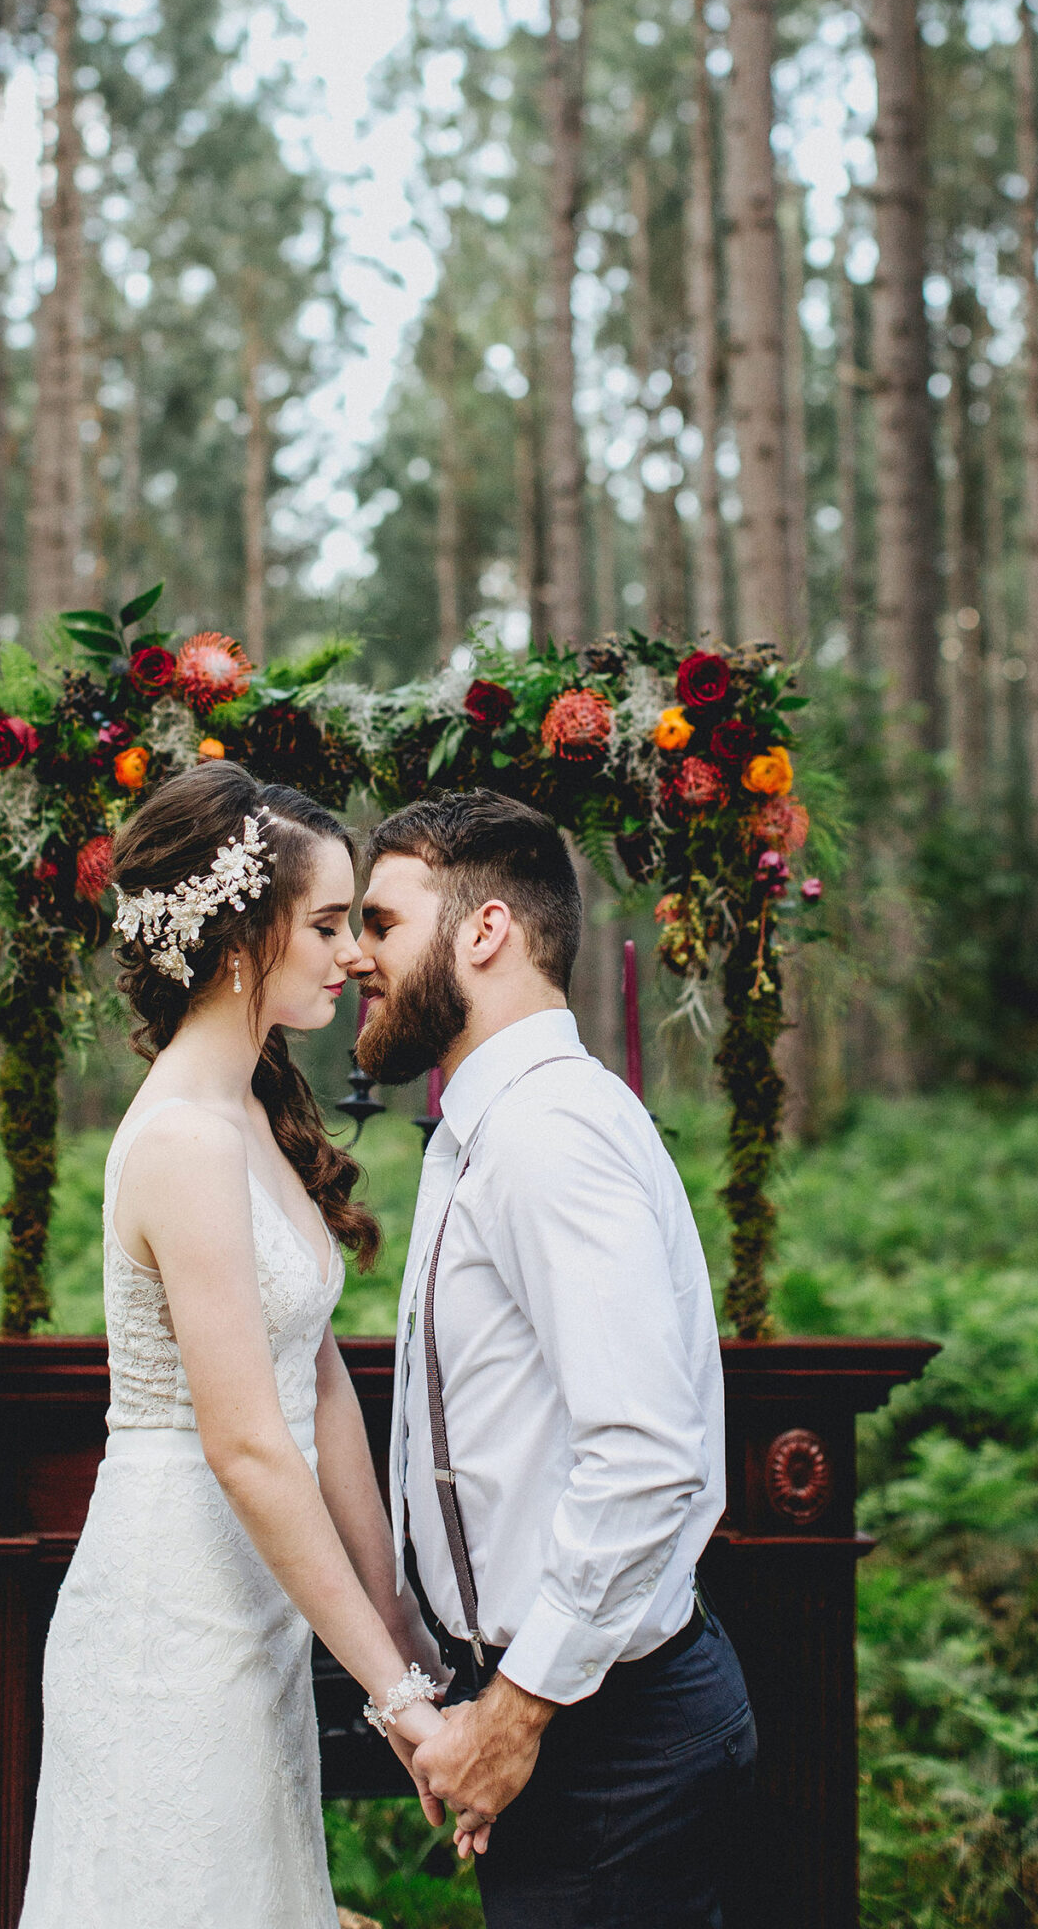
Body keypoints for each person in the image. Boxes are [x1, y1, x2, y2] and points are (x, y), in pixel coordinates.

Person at [18, 763, 471, 1929]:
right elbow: (249, 1446)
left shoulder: (252, 1118)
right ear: (240, 934)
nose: (356, 953)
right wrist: (399, 1702)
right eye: (327, 923)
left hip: (255, 1608)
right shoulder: (180, 1137)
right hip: (171, 1615)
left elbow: (319, 1392)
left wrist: (400, 1620)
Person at [354, 789, 756, 1929]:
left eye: (381, 922)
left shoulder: (547, 1136)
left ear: (484, 930)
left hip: (611, 1737)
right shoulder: (485, 1129)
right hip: (565, 1715)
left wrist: (518, 1712)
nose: (355, 958)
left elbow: (643, 1454)